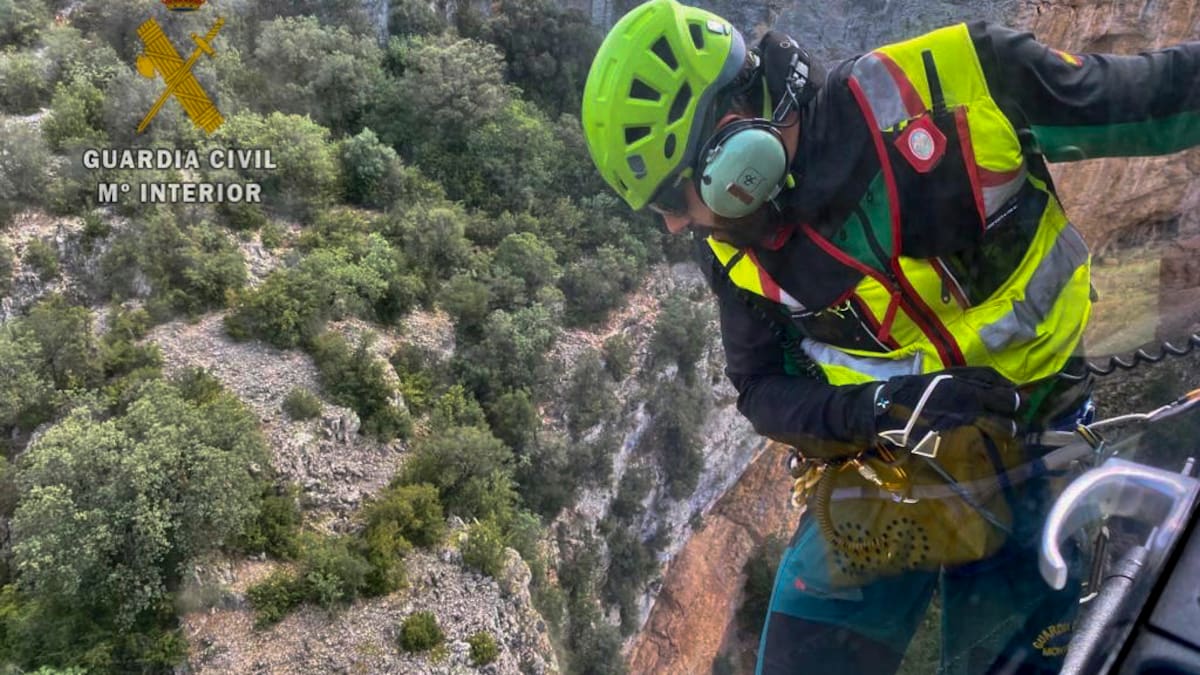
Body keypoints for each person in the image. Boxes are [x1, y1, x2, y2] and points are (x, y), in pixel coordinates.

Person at [580, 1, 1200, 673]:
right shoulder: (733, 242)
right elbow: (760, 387)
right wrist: (882, 409)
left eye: (675, 197)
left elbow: (1161, 96)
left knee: (1001, 663)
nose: (676, 226)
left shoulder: (958, 85)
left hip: (1031, 443)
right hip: (882, 463)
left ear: (733, 146)